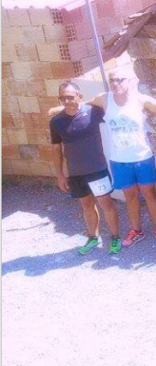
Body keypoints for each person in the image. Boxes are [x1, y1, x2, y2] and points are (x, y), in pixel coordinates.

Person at [49, 67, 156, 247]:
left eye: (120, 79)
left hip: (142, 156)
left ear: (130, 81)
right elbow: (81, 103)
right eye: (112, 80)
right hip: (119, 160)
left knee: (150, 194)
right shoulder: (104, 99)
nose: (116, 83)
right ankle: (136, 230)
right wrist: (61, 108)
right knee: (130, 197)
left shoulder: (140, 99)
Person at [50, 82, 122, 254]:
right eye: (62, 98)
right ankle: (93, 238)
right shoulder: (56, 122)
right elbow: (56, 149)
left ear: (79, 96)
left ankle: (115, 237)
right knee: (87, 206)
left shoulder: (93, 112)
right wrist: (60, 175)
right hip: (76, 174)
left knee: (106, 204)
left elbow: (114, 111)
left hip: (97, 170)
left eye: (70, 97)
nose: (67, 101)